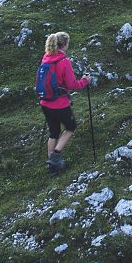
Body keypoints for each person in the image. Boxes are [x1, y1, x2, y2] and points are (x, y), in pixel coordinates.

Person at [37, 32, 88, 174]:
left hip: (45, 103)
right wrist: (85, 80)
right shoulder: (64, 61)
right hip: (60, 104)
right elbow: (72, 84)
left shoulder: (46, 59)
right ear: (64, 45)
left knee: (53, 132)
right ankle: (55, 156)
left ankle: (51, 166)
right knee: (71, 127)